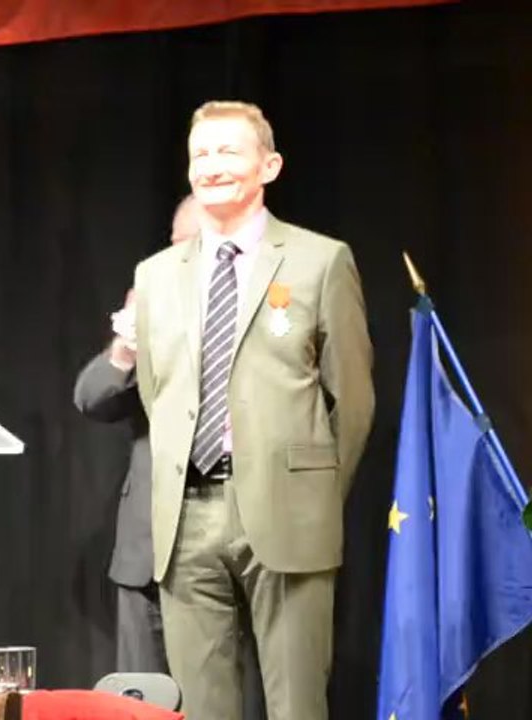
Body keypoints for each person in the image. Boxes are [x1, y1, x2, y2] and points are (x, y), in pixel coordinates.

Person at [132, 101, 374, 720]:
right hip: (186, 516)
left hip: (286, 509)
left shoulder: (321, 260)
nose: (212, 166)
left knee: (296, 704)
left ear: (269, 166)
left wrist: (313, 489)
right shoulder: (156, 275)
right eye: (201, 154)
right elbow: (157, 393)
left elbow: (353, 400)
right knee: (202, 707)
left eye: (228, 151)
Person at [74, 195, 200, 675]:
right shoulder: (153, 317)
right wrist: (128, 343)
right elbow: (92, 398)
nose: (176, 259)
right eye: (174, 245)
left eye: (191, 245)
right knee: (143, 698)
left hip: (230, 550)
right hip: (146, 551)